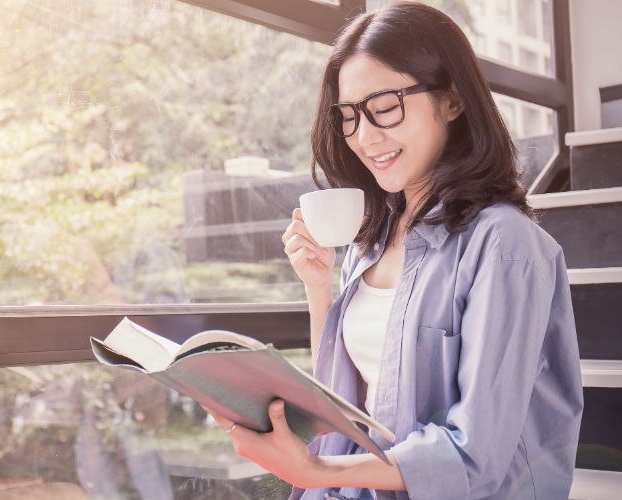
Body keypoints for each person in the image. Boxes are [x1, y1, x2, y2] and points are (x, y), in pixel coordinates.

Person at [201, 2, 584, 499]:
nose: (364, 137)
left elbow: (476, 456)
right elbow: (346, 401)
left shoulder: (505, 245)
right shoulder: (370, 242)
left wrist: (317, 474)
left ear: (452, 100)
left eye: (384, 108)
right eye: (348, 116)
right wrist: (318, 286)